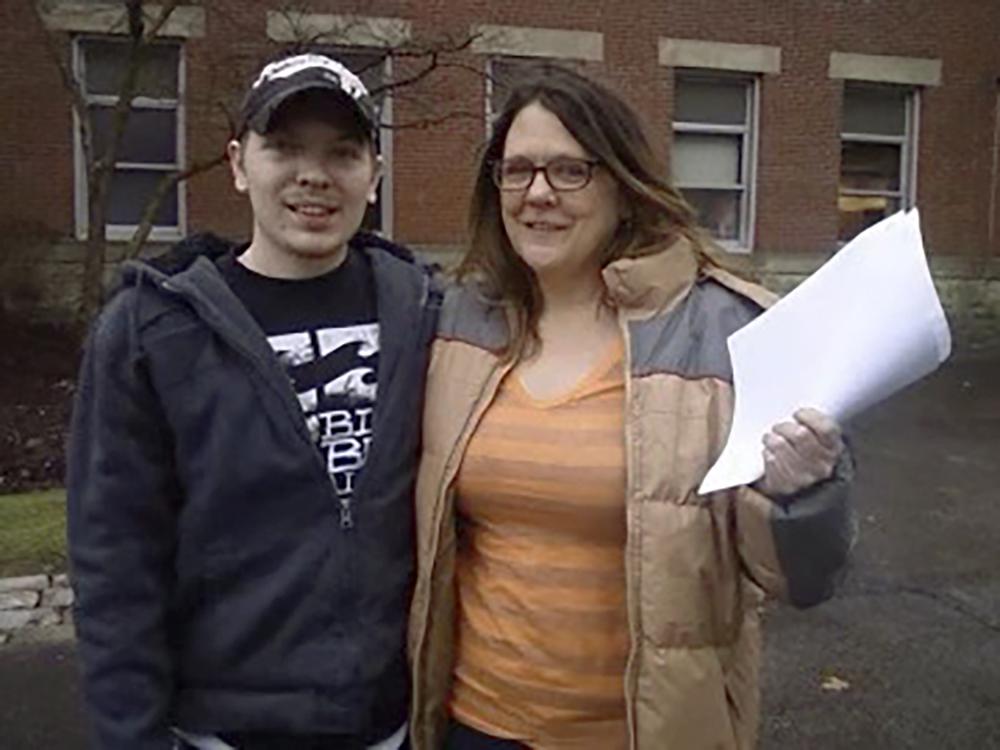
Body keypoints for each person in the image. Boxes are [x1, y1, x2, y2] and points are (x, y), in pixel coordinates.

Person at [407, 64, 855, 750]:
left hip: (640, 731)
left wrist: (799, 495)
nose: (537, 193)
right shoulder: (458, 320)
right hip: (475, 724)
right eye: (517, 170)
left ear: (622, 185)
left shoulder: (724, 332)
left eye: (570, 171)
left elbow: (802, 580)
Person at [66, 52, 438, 750]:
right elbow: (115, 563)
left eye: (342, 153)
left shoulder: (426, 314)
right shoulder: (154, 331)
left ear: (374, 175)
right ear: (239, 163)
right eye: (285, 148)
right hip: (226, 728)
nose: (313, 175)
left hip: (395, 724)